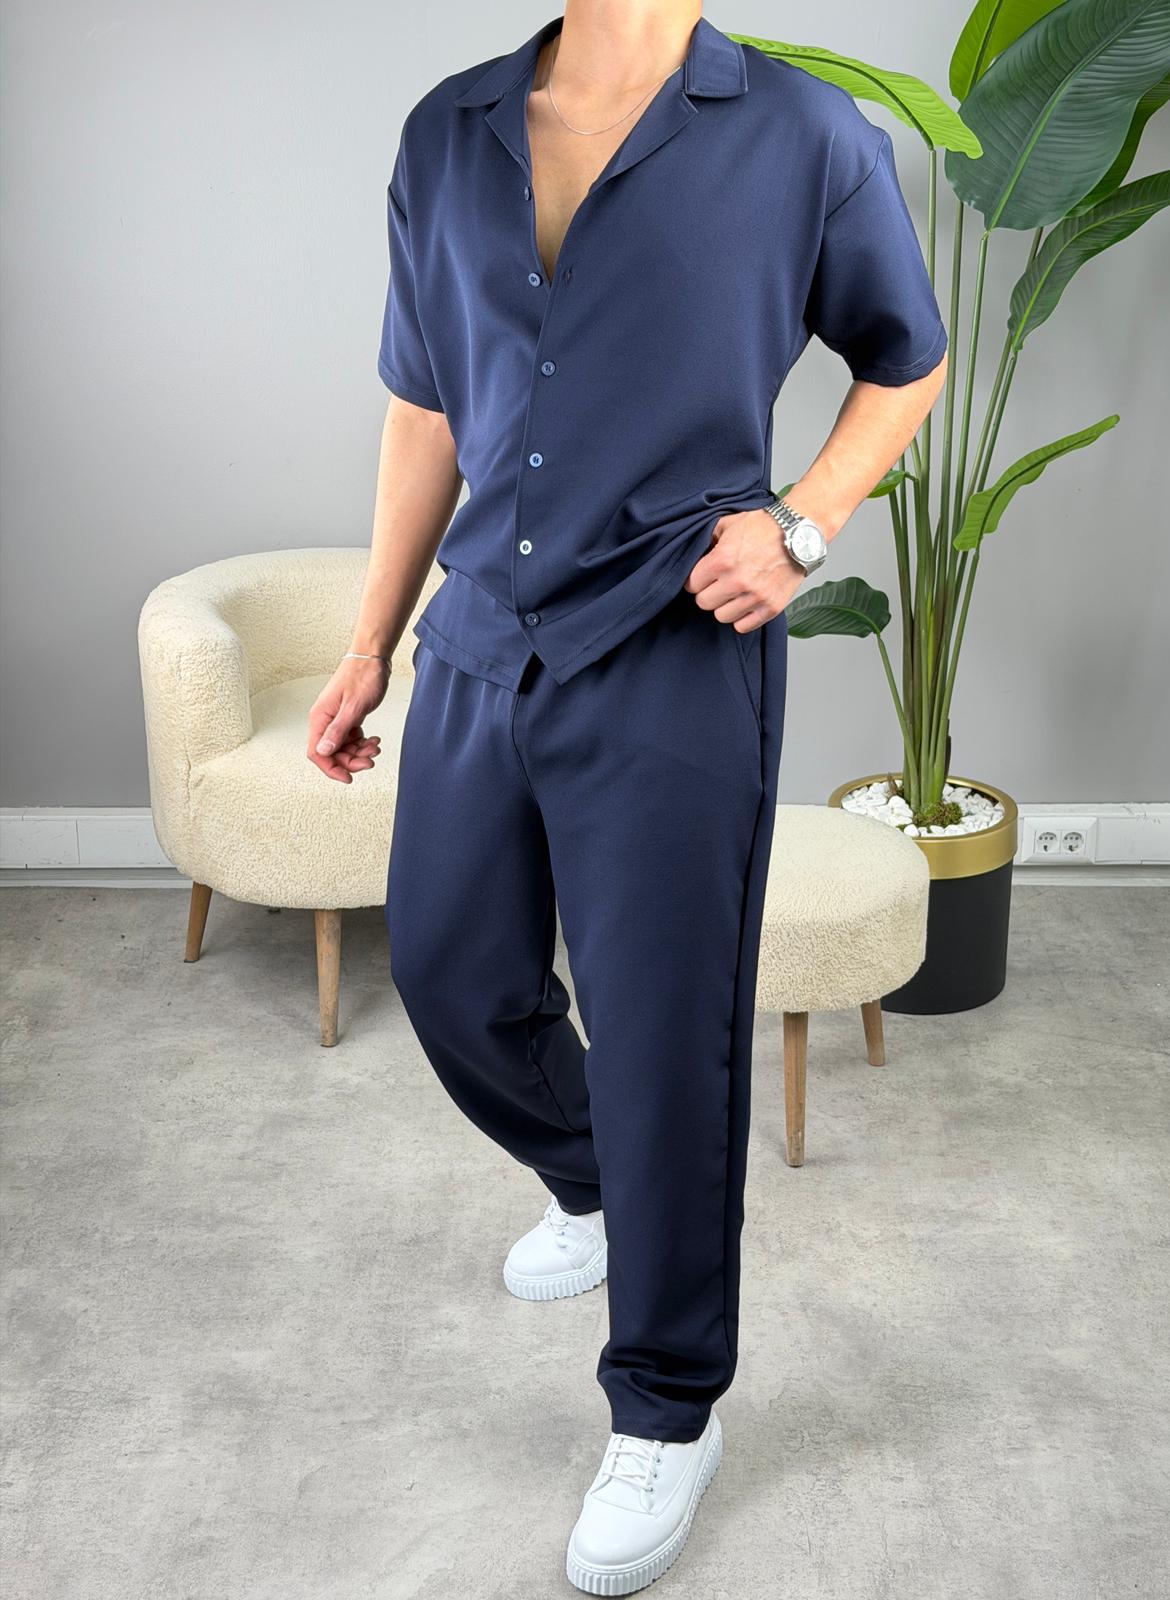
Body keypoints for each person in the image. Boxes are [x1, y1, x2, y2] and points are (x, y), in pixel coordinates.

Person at [308, 4, 947, 1592]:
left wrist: (802, 526)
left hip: (674, 641)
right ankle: (602, 1181)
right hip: (481, 633)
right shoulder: (448, 132)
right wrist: (369, 643)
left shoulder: (803, 137)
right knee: (450, 975)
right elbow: (425, 410)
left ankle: (667, 1407)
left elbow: (907, 358)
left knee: (668, 1039)